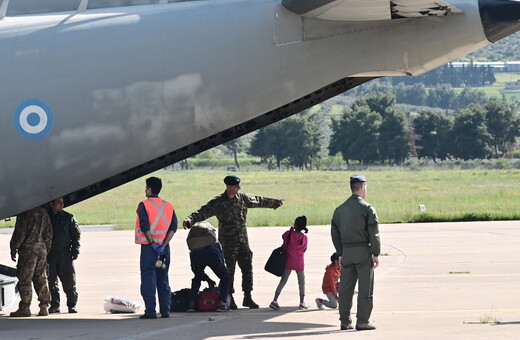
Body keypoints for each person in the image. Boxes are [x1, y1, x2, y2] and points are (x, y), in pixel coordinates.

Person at [183, 175, 283, 309]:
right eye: (236, 186)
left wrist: (275, 203)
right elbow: (203, 211)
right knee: (229, 272)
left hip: (243, 241)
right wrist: (190, 219)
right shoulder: (218, 202)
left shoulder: (242, 198)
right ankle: (230, 298)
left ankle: (248, 297)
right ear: (229, 187)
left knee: (247, 269)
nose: (239, 188)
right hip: (228, 243)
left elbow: (258, 200)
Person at [331, 174, 380, 331]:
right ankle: (363, 320)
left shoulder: (339, 210)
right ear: (363, 186)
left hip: (346, 252)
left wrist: (340, 252)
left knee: (345, 289)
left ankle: (345, 321)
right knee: (365, 288)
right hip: (363, 251)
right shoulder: (367, 209)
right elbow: (374, 233)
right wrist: (376, 253)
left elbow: (334, 233)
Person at [136, 176, 177, 319]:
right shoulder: (168, 206)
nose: (145, 190)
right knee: (163, 279)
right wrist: (163, 245)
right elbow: (173, 227)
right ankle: (165, 311)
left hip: (149, 248)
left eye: (146, 187)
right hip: (164, 249)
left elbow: (144, 225)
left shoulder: (144, 205)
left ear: (150, 189)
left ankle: (150, 311)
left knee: (148, 278)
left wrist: (153, 244)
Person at [9, 207, 53, 317]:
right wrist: (45, 249)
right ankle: (44, 306)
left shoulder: (25, 213)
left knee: (25, 279)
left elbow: (20, 233)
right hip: (41, 249)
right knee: (41, 277)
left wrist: (14, 247)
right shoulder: (44, 212)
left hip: (28, 251)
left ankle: (25, 307)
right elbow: (48, 233)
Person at [46, 197, 81, 314]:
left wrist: (75, 250)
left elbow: (76, 235)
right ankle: (54, 305)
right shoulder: (46, 218)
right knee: (51, 281)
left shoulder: (68, 218)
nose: (62, 205)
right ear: (51, 204)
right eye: (59, 203)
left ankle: (72, 305)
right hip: (50, 254)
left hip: (64, 253)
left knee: (69, 280)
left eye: (62, 203)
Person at [187, 222, 231, 312]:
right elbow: (221, 261)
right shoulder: (215, 243)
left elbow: (194, 269)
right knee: (225, 278)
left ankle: (191, 305)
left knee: (197, 278)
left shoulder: (194, 247)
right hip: (212, 254)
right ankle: (221, 304)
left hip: (198, 256)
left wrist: (207, 279)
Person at [269, 216, 309, 311]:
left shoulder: (289, 234)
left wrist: (291, 230)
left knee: (283, 280)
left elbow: (283, 236)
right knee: (301, 282)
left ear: (295, 224)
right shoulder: (304, 238)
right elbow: (304, 249)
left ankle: (274, 300)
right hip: (299, 262)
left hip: (288, 261)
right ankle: (302, 302)